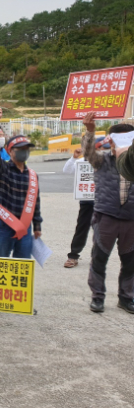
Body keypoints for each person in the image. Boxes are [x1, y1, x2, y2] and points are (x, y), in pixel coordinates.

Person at [81, 112, 134, 314]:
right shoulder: (102, 160)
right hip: (106, 217)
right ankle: (97, 297)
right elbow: (87, 152)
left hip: (131, 219)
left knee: (130, 262)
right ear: (111, 141)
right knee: (99, 258)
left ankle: (126, 297)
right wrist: (90, 131)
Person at [0, 109, 42, 259]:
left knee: (22, 266)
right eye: (20, 149)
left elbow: (35, 201)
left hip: (24, 227)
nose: (24, 152)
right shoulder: (2, 169)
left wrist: (37, 225)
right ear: (10, 151)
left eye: (26, 149)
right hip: (3, 226)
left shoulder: (32, 175)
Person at [62, 139, 109, 268]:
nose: (102, 151)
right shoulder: (81, 162)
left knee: (101, 230)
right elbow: (67, 170)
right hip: (87, 202)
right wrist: (74, 157)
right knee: (82, 228)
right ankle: (73, 256)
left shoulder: (108, 162)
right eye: (100, 148)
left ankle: (97, 258)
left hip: (104, 202)